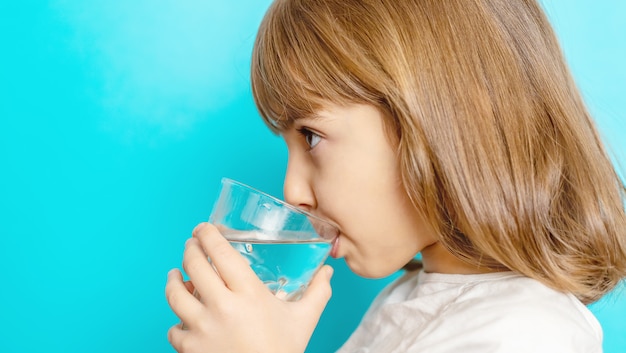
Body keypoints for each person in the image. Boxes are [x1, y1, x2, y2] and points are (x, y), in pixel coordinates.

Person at [165, 0, 626, 352]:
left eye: (310, 137)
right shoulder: (404, 300)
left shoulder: (528, 335)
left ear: (452, 118)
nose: (291, 191)